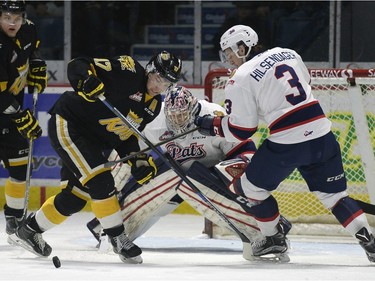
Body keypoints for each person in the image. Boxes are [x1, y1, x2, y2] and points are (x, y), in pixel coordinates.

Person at [194, 24, 375, 262]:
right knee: (336, 197)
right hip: (323, 135)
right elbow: (302, 85)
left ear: (242, 46)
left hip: (287, 143)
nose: (228, 59)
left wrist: (210, 124)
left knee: (248, 189)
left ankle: (273, 240)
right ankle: (370, 243)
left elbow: (241, 131)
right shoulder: (289, 53)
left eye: (229, 52)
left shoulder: (242, 76)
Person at [11, 50, 182, 264]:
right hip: (70, 124)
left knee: (74, 198)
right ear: (150, 70)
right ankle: (118, 238)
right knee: (101, 181)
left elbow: (125, 136)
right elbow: (78, 63)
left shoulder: (154, 107)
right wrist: (86, 79)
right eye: (158, 78)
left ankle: (28, 231)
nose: (159, 86)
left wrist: (135, 160)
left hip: (92, 142)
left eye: (166, 84)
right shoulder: (128, 69)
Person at [86, 86, 292, 255]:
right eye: (173, 117)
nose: (177, 121)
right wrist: (107, 193)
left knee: (187, 176)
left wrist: (234, 175)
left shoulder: (213, 115)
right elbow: (124, 153)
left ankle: (266, 232)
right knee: (175, 175)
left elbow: (245, 151)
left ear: (194, 110)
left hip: (211, 180)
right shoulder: (154, 122)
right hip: (176, 182)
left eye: (183, 116)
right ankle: (111, 228)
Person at [0, 0, 46, 236]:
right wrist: (20, 116)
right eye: (7, 17)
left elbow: (32, 51)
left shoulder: (28, 28)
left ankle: (14, 217)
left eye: (16, 18)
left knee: (20, 166)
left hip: (10, 110)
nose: (12, 23)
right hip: (7, 107)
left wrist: (36, 64)